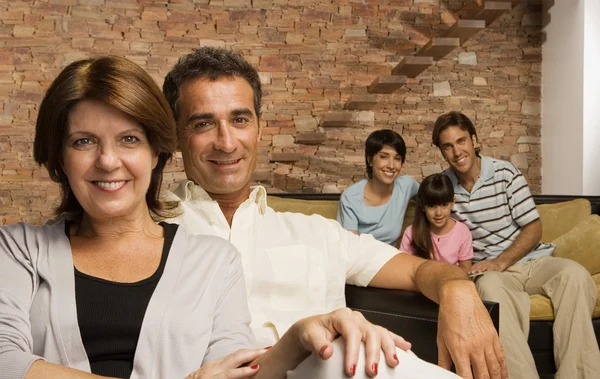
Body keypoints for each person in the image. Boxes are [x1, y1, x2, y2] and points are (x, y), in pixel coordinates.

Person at [0, 56, 413, 379]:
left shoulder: (214, 259)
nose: (108, 161)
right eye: (83, 141)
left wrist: (301, 335)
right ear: (59, 157)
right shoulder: (19, 250)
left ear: (156, 152)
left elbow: (232, 368)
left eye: (129, 139)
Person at [162, 46, 507, 379]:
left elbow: (420, 271)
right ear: (176, 135)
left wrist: (457, 290)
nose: (226, 141)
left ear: (259, 128)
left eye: (240, 119)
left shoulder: (319, 233)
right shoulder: (148, 233)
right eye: (203, 124)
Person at [432, 110, 600, 379]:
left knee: (576, 275)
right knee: (489, 289)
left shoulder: (505, 173)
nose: (457, 151)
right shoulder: (443, 188)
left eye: (461, 141)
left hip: (534, 261)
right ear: (442, 152)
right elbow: (430, 225)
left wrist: (501, 261)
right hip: (492, 274)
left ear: (474, 140)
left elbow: (533, 228)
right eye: (447, 146)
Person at [337, 129, 419, 246]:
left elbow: (434, 198)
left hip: (391, 260)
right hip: (359, 260)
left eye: (397, 158)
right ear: (370, 160)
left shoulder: (406, 186)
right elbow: (351, 249)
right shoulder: (350, 198)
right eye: (384, 157)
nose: (391, 166)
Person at [399, 173, 473, 274]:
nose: (438, 213)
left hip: (452, 281)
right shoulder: (411, 232)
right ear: (422, 206)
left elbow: (466, 269)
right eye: (431, 206)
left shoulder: (462, 232)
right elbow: (404, 267)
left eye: (444, 205)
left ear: (453, 202)